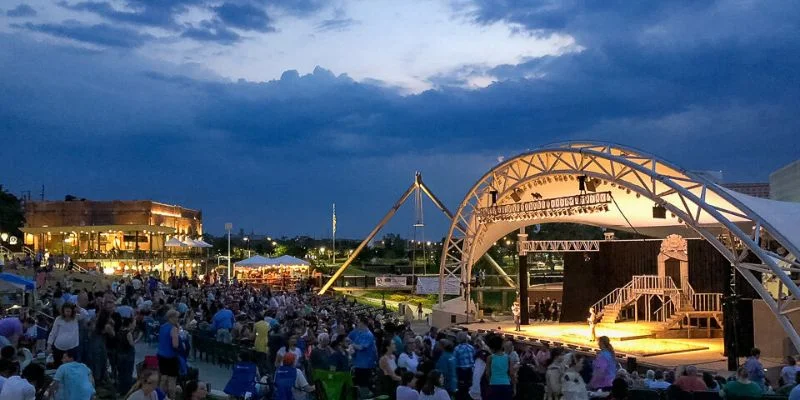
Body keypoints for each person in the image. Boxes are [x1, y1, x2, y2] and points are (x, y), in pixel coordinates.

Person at [47, 303, 81, 369]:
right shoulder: (58, 319)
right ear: (63, 311)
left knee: (72, 367)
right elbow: (53, 332)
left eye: (69, 311)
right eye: (66, 311)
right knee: (58, 366)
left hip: (72, 348)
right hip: (59, 348)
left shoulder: (76, 318)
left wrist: (79, 309)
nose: (67, 313)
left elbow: (86, 315)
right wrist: (49, 344)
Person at [156, 309, 181, 398]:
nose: (178, 319)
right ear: (172, 317)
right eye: (177, 317)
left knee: (163, 377)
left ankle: (160, 397)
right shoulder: (173, 329)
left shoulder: (163, 326)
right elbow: (175, 345)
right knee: (172, 380)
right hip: (170, 356)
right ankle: (172, 397)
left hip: (161, 354)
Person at [349, 316, 378, 389]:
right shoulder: (359, 333)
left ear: (362, 323)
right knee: (358, 384)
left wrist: (352, 344)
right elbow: (349, 339)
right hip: (358, 364)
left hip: (365, 365)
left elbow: (361, 347)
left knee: (364, 385)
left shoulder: (368, 335)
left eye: (358, 322)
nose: (357, 323)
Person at [486, 335, 512, 400]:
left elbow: (487, 373)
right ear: (501, 345)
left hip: (494, 384)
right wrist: (513, 387)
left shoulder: (490, 358)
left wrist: (490, 382)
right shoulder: (508, 357)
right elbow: (510, 373)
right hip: (506, 384)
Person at [454, 331, 475, 400]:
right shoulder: (471, 347)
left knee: (461, 391)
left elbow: (455, 362)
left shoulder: (457, 349)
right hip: (470, 372)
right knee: (469, 389)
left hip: (461, 372)